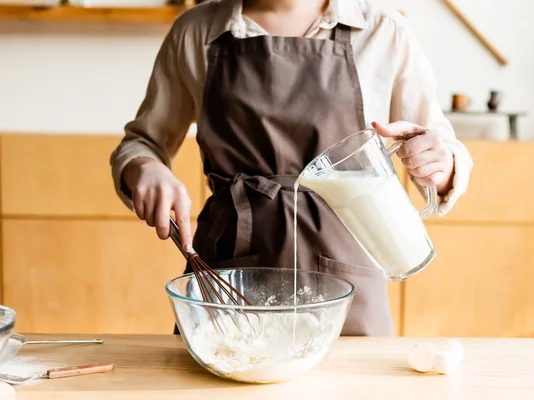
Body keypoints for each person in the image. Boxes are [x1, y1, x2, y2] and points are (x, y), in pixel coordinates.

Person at [110, 0, 473, 336]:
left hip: (351, 269)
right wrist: (145, 166)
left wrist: (439, 163)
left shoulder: (384, 30)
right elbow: (142, 142)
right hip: (230, 274)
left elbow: (440, 142)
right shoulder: (197, 31)